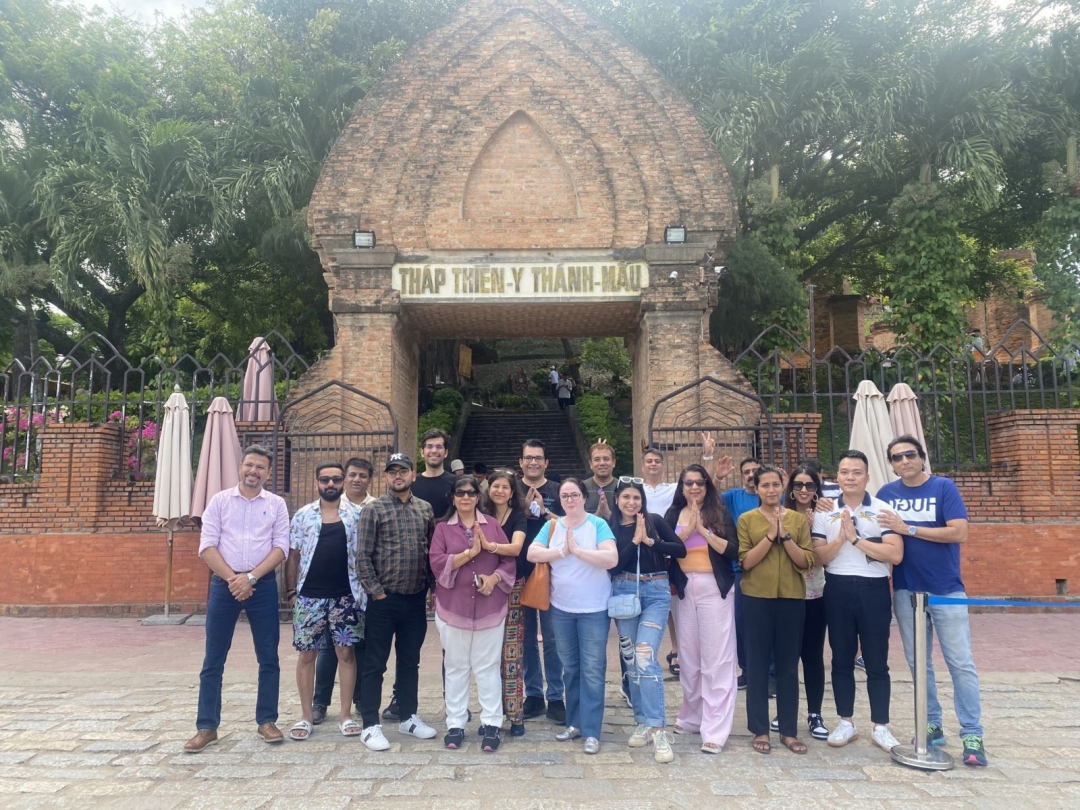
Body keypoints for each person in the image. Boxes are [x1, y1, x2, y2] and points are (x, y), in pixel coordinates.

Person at [877, 435, 988, 766]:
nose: (904, 461)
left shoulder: (943, 488)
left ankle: (972, 732)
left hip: (946, 589)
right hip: (907, 590)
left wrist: (908, 528)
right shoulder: (886, 494)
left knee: (960, 662)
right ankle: (931, 723)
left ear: (922, 457)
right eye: (897, 457)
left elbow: (959, 532)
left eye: (910, 454)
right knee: (917, 662)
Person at [185, 445, 290, 752]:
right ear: (240, 468)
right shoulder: (219, 501)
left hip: (263, 586)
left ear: (268, 473)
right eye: (249, 465)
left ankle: (267, 720)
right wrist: (234, 579)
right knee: (213, 658)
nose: (253, 471)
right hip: (224, 585)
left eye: (260, 467)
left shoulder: (277, 505)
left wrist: (251, 578)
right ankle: (207, 727)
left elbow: (281, 547)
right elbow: (207, 546)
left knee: (269, 656)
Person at [812, 450, 904, 753]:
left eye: (856, 472)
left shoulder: (881, 509)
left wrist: (855, 540)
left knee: (877, 660)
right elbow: (818, 557)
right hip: (837, 587)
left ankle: (881, 725)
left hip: (874, 588)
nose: (850, 477)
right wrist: (840, 539)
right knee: (841, 658)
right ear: (836, 476)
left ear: (867, 476)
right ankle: (846, 721)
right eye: (844, 472)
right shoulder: (823, 511)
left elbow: (895, 554)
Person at [527, 478, 618, 754]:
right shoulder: (552, 525)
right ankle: (574, 722)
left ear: (583, 496)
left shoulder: (597, 524)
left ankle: (592, 730)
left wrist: (578, 552)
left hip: (593, 609)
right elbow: (532, 552)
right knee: (571, 667)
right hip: (562, 608)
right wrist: (561, 551)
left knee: (592, 669)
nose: (570, 500)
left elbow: (611, 558)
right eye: (565, 496)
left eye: (574, 495)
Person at [355, 453, 438, 751]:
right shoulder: (374, 510)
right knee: (374, 663)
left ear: (413, 475)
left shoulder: (424, 509)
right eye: (392, 472)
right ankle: (370, 724)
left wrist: (431, 587)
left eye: (403, 470)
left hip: (414, 599)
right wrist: (376, 591)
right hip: (384, 599)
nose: (398, 476)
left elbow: (430, 552)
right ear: (386, 477)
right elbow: (362, 555)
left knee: (409, 662)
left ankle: (408, 716)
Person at [430, 475, 516, 752]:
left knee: (488, 666)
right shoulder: (442, 529)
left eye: (470, 493)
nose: (465, 497)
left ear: (478, 497)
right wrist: (470, 553)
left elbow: (508, 560)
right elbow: (437, 562)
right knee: (456, 666)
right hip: (453, 608)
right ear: (453, 497)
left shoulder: (492, 526)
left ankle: (492, 723)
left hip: (490, 609)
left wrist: (494, 579)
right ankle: (455, 723)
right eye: (460, 493)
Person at [738, 465, 815, 755]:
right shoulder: (747, 519)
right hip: (757, 597)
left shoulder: (796, 519)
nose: (771, 490)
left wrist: (786, 537)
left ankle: (788, 730)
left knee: (787, 666)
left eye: (775, 484)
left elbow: (806, 561)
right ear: (756, 489)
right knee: (756, 665)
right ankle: (759, 729)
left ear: (783, 487)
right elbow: (745, 561)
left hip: (792, 598)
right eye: (764, 485)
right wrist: (770, 535)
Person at [284, 462, 365, 741]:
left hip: (346, 596)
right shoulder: (303, 515)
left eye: (336, 479)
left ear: (343, 482)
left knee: (346, 654)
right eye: (325, 479)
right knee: (307, 656)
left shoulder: (357, 515)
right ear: (317, 482)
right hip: (309, 597)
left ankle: (345, 715)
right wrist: (291, 592)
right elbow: (292, 555)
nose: (330, 484)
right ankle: (306, 716)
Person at [607, 478, 685, 762]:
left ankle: (658, 728)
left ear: (642, 501)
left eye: (636, 498)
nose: (631, 502)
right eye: (626, 497)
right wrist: (634, 542)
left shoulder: (654, 520)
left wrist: (651, 541)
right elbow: (612, 565)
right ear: (617, 500)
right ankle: (642, 720)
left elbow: (680, 549)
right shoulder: (611, 527)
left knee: (644, 655)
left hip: (655, 592)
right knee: (630, 660)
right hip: (624, 591)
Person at [664, 465, 738, 754]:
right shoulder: (673, 514)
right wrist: (686, 533)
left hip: (713, 588)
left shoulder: (718, 512)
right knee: (690, 658)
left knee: (716, 659)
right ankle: (692, 716)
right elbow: (667, 548)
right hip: (684, 590)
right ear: (681, 487)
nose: (694, 487)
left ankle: (716, 728)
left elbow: (732, 550)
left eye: (700, 482)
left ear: (707, 486)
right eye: (689, 482)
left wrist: (703, 531)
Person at [312, 456, 376, 725]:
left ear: (369, 479)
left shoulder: (375, 507)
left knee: (358, 646)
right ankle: (320, 701)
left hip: (361, 588)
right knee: (328, 647)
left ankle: (358, 699)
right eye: (351, 475)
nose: (356, 479)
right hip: (328, 587)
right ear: (345, 478)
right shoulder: (332, 505)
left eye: (362, 475)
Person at [770, 464, 829, 742]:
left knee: (813, 656)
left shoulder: (825, 515)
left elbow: (819, 558)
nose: (804, 490)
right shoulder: (780, 515)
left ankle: (815, 712)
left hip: (815, 593)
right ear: (790, 488)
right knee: (787, 657)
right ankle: (785, 711)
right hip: (786, 592)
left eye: (810, 485)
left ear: (817, 489)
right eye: (798, 485)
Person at [515, 439, 566, 724]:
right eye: (528, 457)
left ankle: (556, 696)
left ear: (546, 462)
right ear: (520, 462)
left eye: (538, 458)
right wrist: (523, 507)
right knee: (525, 639)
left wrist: (545, 511)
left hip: (552, 573)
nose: (533, 462)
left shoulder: (558, 491)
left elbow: (572, 523)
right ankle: (533, 694)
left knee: (552, 637)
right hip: (519, 571)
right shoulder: (511, 489)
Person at [480, 469, 529, 735]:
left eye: (505, 487)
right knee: (487, 653)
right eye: (495, 486)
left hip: (511, 586)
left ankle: (515, 714)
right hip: (486, 587)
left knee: (511, 651)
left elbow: (516, 548)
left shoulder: (518, 516)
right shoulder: (481, 516)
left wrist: (489, 545)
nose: (500, 490)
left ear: (512, 492)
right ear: (488, 489)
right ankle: (491, 715)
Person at [722, 457, 762, 690]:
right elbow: (708, 497)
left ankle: (770, 674)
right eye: (746, 471)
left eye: (755, 470)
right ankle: (747, 670)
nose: (750, 475)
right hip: (740, 569)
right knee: (741, 623)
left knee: (767, 623)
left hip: (770, 569)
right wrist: (717, 476)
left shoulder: (775, 495)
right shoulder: (734, 496)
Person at [583, 440, 617, 520]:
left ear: (614, 463)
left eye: (606, 459)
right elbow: (575, 520)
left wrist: (608, 514)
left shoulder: (623, 488)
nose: (602, 463)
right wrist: (597, 515)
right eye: (597, 459)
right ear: (590, 464)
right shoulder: (581, 488)